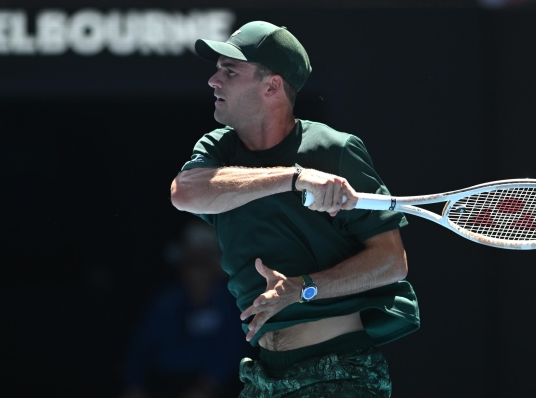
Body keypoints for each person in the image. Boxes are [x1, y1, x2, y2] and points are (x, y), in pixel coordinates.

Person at [170, 21, 420, 397]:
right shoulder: (217, 149)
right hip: (263, 375)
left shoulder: (335, 149)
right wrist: (295, 178)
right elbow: (184, 194)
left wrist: (302, 289)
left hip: (340, 374)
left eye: (230, 71)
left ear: (271, 86)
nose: (213, 81)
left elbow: (391, 262)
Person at [123, 221, 248, 398]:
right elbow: (141, 344)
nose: (195, 272)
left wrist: (208, 385)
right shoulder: (167, 299)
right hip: (163, 381)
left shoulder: (230, 302)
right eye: (190, 262)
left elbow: (235, 347)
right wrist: (135, 385)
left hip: (213, 386)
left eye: (201, 263)